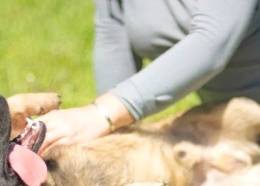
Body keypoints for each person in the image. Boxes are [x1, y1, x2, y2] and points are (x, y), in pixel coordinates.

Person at [39, 0, 260, 152]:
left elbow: (212, 40)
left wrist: (101, 114)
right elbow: (113, 28)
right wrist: (112, 137)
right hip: (236, 128)